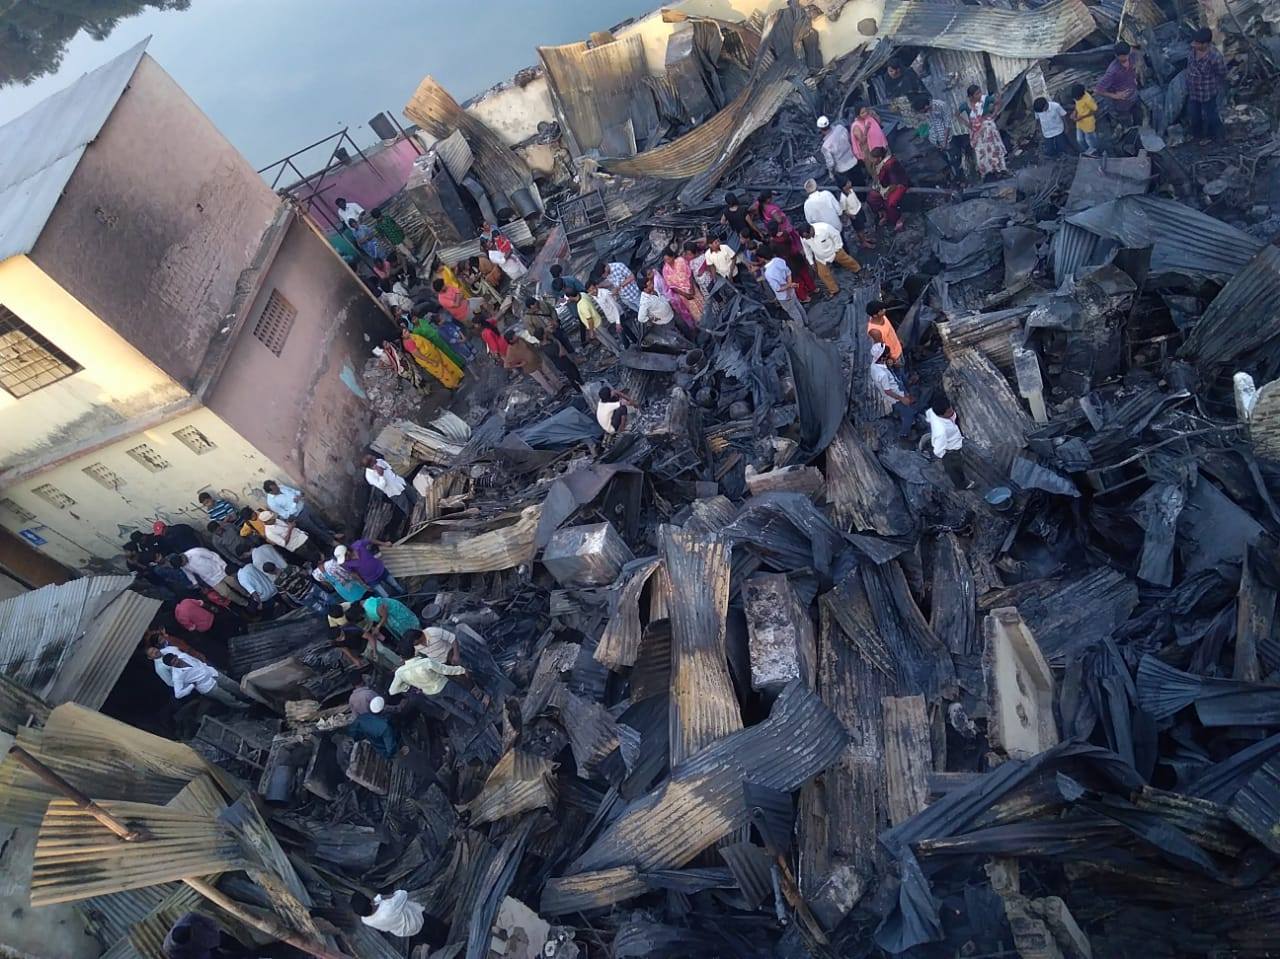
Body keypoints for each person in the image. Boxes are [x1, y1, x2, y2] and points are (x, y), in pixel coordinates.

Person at [163, 651, 249, 708]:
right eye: (173, 663)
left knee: (234, 685)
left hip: (212, 673)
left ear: (176, 656)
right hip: (207, 686)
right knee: (228, 698)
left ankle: (249, 696)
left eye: (175, 660)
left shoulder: (184, 656)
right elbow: (178, 695)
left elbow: (196, 660)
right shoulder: (177, 676)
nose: (176, 662)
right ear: (171, 666)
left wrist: (205, 666)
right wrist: (191, 686)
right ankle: (246, 707)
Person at [870, 340, 920, 437]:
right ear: (882, 357)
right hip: (895, 397)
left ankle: (901, 414)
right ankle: (904, 433)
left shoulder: (874, 365)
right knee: (908, 414)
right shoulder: (882, 374)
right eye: (887, 355)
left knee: (907, 405)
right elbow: (888, 391)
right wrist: (902, 399)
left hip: (896, 387)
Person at [910, 92, 964, 182]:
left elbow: (948, 124)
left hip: (948, 138)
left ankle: (961, 179)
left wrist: (945, 142)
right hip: (937, 141)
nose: (922, 113)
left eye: (921, 110)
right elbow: (931, 126)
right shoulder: (927, 113)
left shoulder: (941, 105)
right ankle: (953, 179)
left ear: (925, 106)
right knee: (946, 161)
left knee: (956, 159)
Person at [262, 480, 334, 546]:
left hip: (304, 506)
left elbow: (292, 490)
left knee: (319, 521)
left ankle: (332, 534)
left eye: (276, 486)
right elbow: (286, 515)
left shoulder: (281, 487)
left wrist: (299, 493)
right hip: (299, 516)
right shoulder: (272, 503)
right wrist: (294, 504)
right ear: (270, 492)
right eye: (275, 489)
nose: (278, 488)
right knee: (315, 529)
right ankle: (331, 541)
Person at [1186, 28, 1226, 144]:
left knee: (1212, 116)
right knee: (1194, 115)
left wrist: (1215, 84)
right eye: (1195, 42)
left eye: (1198, 43)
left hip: (1207, 92)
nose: (1194, 45)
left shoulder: (1215, 57)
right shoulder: (1192, 49)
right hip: (1193, 91)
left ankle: (1218, 137)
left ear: (1206, 44)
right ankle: (1197, 136)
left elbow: (1222, 73)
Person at [171, 549, 250, 607]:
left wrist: (223, 566)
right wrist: (195, 583)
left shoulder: (195, 552)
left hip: (221, 571)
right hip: (211, 580)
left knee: (236, 584)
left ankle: (248, 594)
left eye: (182, 564)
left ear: (182, 558)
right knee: (226, 593)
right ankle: (244, 603)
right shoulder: (183, 566)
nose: (183, 565)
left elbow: (212, 555)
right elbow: (189, 574)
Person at [799, 222, 861, 296]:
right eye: (805, 238)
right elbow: (807, 250)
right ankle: (834, 290)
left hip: (834, 252)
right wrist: (811, 262)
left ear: (811, 230)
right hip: (820, 258)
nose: (807, 239)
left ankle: (858, 270)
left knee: (847, 261)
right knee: (823, 274)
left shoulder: (824, 228)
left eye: (808, 236)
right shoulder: (804, 237)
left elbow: (836, 235)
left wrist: (838, 248)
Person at [399, 318, 464, 389]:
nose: (407, 332)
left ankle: (457, 376)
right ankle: (453, 385)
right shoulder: (408, 344)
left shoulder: (411, 336)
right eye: (405, 333)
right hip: (428, 359)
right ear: (402, 336)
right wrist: (430, 361)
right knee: (442, 372)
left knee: (447, 364)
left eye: (406, 330)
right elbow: (419, 355)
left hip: (434, 351)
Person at [964, 86, 1007, 179]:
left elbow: (998, 102)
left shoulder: (985, 99)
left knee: (993, 149)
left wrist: (994, 114)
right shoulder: (967, 105)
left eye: (980, 92)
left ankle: (999, 170)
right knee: (981, 152)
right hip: (977, 131)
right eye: (977, 93)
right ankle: (988, 173)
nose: (979, 94)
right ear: (971, 96)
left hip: (988, 129)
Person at [1094, 42, 1140, 128]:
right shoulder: (1112, 71)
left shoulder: (1132, 55)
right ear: (1116, 56)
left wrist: (1134, 77)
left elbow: (1137, 56)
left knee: (1137, 114)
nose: (1125, 60)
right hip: (1121, 103)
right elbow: (1097, 90)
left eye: (1126, 57)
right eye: (1122, 58)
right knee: (1126, 121)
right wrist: (1115, 96)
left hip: (1134, 94)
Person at [926, 396, 968, 489]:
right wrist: (947, 455)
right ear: (941, 415)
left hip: (954, 440)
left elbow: (928, 414)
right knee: (954, 469)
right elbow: (938, 450)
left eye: (951, 409)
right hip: (950, 450)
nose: (952, 411)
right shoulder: (941, 431)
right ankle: (962, 485)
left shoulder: (933, 412)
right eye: (948, 412)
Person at [866, 147, 910, 232]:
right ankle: (883, 213)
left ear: (879, 158)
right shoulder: (878, 164)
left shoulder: (890, 164)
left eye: (873, 159)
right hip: (885, 184)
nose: (872, 161)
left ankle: (898, 219)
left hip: (898, 185)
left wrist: (887, 193)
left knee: (890, 203)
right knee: (872, 198)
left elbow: (894, 183)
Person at [661, 247, 702, 333]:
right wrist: (684, 294)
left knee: (701, 303)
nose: (667, 262)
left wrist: (691, 287)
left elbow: (689, 274)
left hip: (691, 288)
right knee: (694, 310)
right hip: (683, 294)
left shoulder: (681, 261)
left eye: (668, 259)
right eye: (665, 260)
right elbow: (672, 286)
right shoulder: (665, 270)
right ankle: (703, 323)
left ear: (672, 256)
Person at [351, 890, 425, 938]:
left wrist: (378, 899)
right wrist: (383, 897)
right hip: (416, 920)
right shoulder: (389, 906)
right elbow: (402, 893)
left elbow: (375, 903)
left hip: (403, 932)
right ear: (370, 902)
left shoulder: (365, 919)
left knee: (423, 936)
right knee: (432, 929)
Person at [764, 245, 806, 324]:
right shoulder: (778, 260)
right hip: (791, 289)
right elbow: (788, 272)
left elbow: (778, 288)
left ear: (762, 258)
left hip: (784, 296)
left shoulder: (768, 273)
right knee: (798, 305)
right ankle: (806, 321)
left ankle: (802, 327)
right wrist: (790, 285)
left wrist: (788, 287)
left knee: (793, 312)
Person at [568, 289, 618, 353]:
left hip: (596, 325)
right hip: (597, 318)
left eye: (569, 298)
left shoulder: (582, 305)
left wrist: (591, 331)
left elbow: (590, 319)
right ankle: (616, 350)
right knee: (607, 337)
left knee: (607, 339)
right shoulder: (583, 294)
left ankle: (618, 351)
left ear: (571, 297)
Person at [349, 694, 399, 758]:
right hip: (387, 750)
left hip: (378, 748)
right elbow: (390, 748)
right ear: (383, 709)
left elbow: (354, 732)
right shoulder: (385, 727)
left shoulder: (363, 717)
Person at [587, 281, 629, 349]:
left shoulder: (605, 293)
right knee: (626, 330)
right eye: (590, 291)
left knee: (621, 335)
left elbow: (614, 307)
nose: (592, 291)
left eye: (593, 289)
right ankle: (635, 341)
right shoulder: (594, 295)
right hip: (612, 317)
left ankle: (627, 348)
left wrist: (618, 323)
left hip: (618, 315)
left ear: (596, 286)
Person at [817, 115, 858, 181]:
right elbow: (849, 139)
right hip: (854, 161)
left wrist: (831, 174)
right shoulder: (840, 128)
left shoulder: (825, 147)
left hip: (843, 170)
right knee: (861, 183)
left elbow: (831, 163)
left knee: (850, 189)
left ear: (820, 129)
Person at [866, 301, 904, 367]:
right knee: (899, 374)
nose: (884, 310)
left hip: (898, 349)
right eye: (881, 310)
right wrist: (891, 360)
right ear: (875, 315)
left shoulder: (883, 317)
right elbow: (881, 349)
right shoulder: (875, 331)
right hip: (894, 357)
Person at [839, 181, 875, 251]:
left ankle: (864, 238)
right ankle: (863, 242)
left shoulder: (851, 190)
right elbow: (843, 210)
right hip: (854, 214)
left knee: (862, 227)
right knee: (859, 230)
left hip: (859, 208)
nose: (850, 183)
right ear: (843, 187)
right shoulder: (842, 198)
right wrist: (851, 215)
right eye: (847, 183)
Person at [1070, 84, 1100, 157]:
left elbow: (1095, 110)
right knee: (1079, 140)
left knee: (1090, 139)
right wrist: (1074, 113)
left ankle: (1095, 151)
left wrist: (1082, 117)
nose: (1076, 99)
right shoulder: (1077, 97)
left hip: (1088, 123)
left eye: (1077, 98)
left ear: (1081, 95)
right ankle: (1087, 151)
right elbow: (1077, 106)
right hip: (1079, 123)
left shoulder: (1088, 99)